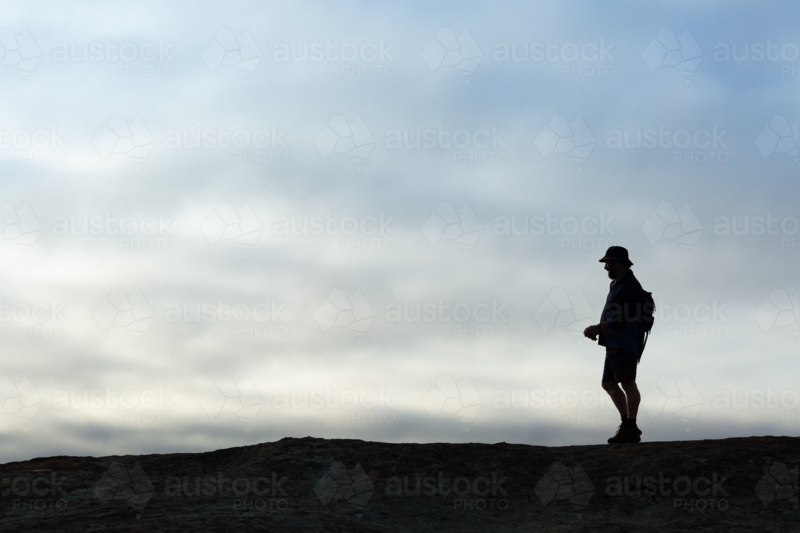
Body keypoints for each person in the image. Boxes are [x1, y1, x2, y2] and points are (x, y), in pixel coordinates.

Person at [583, 246, 646, 444]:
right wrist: (601, 331)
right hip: (614, 342)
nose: (606, 267)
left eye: (608, 263)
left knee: (628, 383)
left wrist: (598, 328)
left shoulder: (630, 285)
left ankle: (631, 427)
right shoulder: (616, 284)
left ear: (619, 262)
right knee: (608, 384)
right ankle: (627, 424)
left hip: (625, 341)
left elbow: (622, 317)